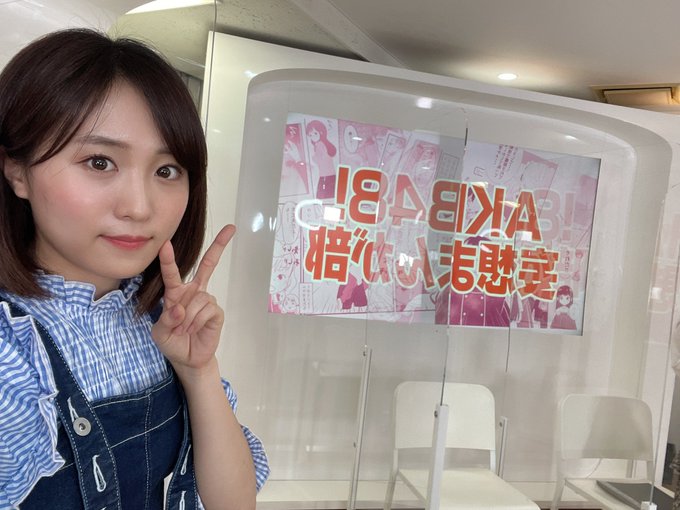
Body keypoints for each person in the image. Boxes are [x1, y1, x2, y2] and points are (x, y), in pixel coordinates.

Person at [0, 29, 269, 509]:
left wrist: (199, 372)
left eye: (166, 171)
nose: (140, 207)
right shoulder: (11, 350)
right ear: (17, 170)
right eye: (99, 162)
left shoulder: (159, 319)